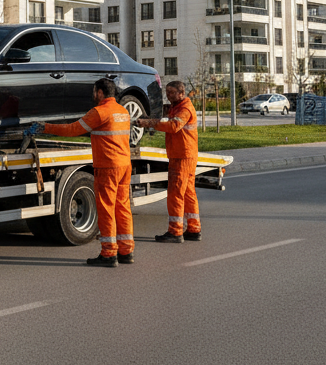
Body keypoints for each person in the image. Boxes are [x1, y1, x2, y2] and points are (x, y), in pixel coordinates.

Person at [29, 77, 134, 268]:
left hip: (107, 166)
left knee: (106, 209)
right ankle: (126, 251)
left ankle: (109, 253)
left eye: (94, 91)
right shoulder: (123, 111)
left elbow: (72, 130)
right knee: (122, 207)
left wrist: (46, 127)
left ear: (100, 93)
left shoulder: (99, 112)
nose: (93, 95)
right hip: (124, 165)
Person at [136, 80, 200, 243]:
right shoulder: (177, 107)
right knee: (187, 193)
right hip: (185, 155)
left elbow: (173, 126)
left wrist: (149, 123)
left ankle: (175, 231)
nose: (168, 95)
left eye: (171, 93)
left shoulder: (185, 108)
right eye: (167, 92)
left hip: (182, 156)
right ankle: (193, 229)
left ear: (181, 93)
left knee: (175, 193)